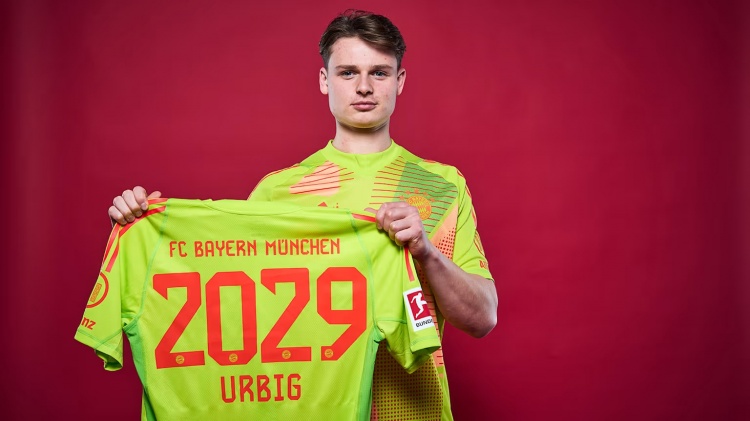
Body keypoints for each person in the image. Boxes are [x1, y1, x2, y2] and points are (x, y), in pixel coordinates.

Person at [107, 9, 497, 421]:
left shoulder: (442, 186)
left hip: (415, 411)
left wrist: (425, 251)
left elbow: (482, 318)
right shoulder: (277, 192)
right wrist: (145, 229)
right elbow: (229, 311)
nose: (364, 86)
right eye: (348, 72)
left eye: (379, 73)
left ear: (399, 81)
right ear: (325, 81)